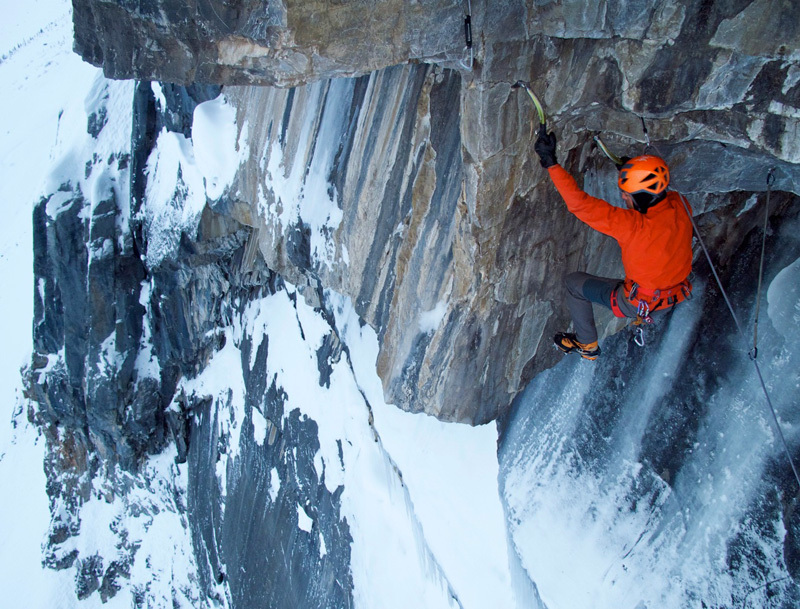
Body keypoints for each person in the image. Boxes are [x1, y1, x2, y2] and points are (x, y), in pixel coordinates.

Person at [534, 129, 693, 360]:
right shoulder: (681, 204)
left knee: (574, 283)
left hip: (639, 302)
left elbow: (580, 205)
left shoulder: (633, 227)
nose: (623, 198)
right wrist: (634, 175)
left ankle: (587, 345)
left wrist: (551, 164)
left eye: (626, 194)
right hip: (672, 295)